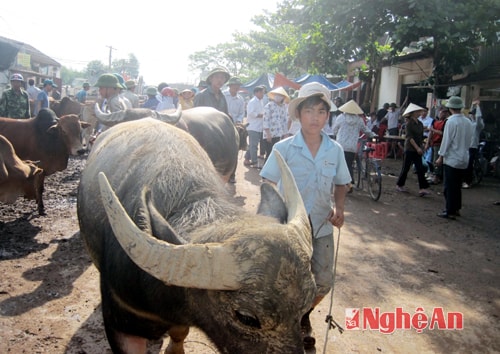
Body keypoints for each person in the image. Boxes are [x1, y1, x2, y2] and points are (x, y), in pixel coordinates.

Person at [259, 82, 350, 350]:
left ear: (327, 116)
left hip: (321, 226)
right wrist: (271, 215)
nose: (315, 117)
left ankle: (301, 316)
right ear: (298, 114)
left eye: (321, 112)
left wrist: (341, 208)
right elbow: (267, 180)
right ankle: (292, 323)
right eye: (309, 111)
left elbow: (342, 183)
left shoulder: (335, 150)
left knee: (322, 281)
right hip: (290, 227)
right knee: (287, 280)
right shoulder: (284, 148)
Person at [435, 96, 473, 219]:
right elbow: (470, 140)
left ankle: (449, 210)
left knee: (449, 186)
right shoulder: (468, 121)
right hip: (464, 157)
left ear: (450, 108)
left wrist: (441, 156)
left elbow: (446, 141)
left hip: (452, 158)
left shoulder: (451, 121)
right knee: (457, 186)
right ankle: (456, 208)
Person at [332, 99, 374, 192]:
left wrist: (335, 135)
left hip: (340, 145)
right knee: (349, 164)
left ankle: (345, 184)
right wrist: (373, 135)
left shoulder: (340, 117)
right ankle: (349, 182)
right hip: (352, 146)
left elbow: (334, 129)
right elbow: (365, 130)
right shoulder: (359, 120)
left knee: (340, 165)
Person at [395, 103, 431, 196]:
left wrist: (421, 146)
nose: (420, 113)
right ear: (413, 113)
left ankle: (422, 188)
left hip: (417, 147)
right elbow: (409, 138)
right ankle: (400, 184)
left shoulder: (420, 124)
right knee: (406, 168)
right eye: (418, 111)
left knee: (420, 168)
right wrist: (417, 148)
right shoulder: (409, 124)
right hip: (410, 148)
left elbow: (420, 136)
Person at [262, 87, 290, 162]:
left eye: (280, 95)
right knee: (269, 153)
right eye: (277, 95)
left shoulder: (283, 107)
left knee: (277, 154)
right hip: (270, 134)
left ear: (283, 97)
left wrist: (286, 133)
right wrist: (268, 134)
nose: (278, 97)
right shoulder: (269, 105)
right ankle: (265, 172)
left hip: (279, 134)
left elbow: (284, 121)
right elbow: (265, 120)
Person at [462, 99, 485, 189]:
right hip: (466, 146)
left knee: (469, 164)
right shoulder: (469, 122)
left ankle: (468, 181)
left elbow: (479, 117)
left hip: (473, 146)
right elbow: (469, 114)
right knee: (464, 164)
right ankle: (463, 180)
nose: (473, 115)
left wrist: (478, 106)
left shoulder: (478, 125)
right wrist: (472, 105)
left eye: (474, 114)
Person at [425, 107, 450, 184]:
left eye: (442, 112)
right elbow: (430, 133)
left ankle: (437, 176)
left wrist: (433, 130)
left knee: (437, 161)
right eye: (440, 112)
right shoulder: (434, 121)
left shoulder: (446, 122)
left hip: (440, 143)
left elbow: (443, 133)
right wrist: (427, 143)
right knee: (432, 160)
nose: (440, 114)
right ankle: (433, 174)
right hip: (433, 143)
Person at [244, 85, 265, 167]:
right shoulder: (252, 102)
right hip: (253, 126)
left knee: (252, 144)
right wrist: (260, 115)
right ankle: (255, 162)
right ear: (257, 93)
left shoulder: (261, 101)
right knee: (254, 145)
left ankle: (247, 159)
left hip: (259, 126)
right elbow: (250, 113)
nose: (263, 94)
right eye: (261, 92)